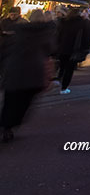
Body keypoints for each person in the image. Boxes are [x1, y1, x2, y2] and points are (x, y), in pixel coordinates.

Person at [0, 9, 55, 142]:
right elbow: (51, 50)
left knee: (10, 101)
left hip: (14, 69)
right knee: (24, 102)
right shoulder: (45, 33)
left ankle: (5, 125)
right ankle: (10, 124)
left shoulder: (18, 30)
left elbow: (5, 49)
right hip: (34, 72)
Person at [56, 9, 90, 94]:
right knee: (69, 69)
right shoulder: (81, 23)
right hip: (73, 49)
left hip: (62, 48)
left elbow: (58, 35)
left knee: (62, 67)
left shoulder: (63, 22)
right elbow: (86, 37)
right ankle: (64, 88)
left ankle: (58, 81)